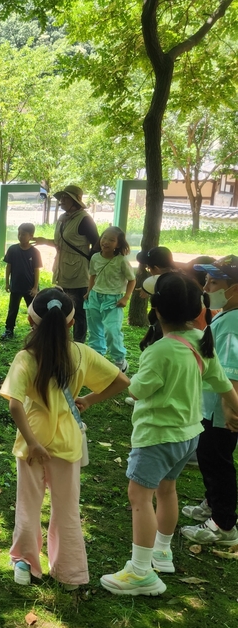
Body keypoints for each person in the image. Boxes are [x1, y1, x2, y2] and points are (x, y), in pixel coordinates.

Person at [100, 272, 238, 597]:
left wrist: (115, 377)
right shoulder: (201, 340)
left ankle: (140, 572)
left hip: (156, 438)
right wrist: (236, 408)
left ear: (157, 310)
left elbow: (137, 390)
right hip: (188, 436)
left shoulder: (159, 351)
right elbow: (222, 384)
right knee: (167, 490)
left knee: (139, 498)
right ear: (195, 310)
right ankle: (162, 552)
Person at [0, 288, 129, 588]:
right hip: (68, 441)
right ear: (71, 323)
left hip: (33, 440)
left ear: (31, 321)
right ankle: (70, 572)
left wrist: (32, 442)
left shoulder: (26, 357)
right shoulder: (82, 353)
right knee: (67, 507)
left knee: (29, 503)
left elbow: (15, 404)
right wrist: (89, 399)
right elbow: (122, 380)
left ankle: (24, 563)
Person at [181, 256, 238, 545]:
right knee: (211, 459)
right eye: (206, 280)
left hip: (219, 411)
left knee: (216, 462)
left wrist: (230, 408)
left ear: (235, 289)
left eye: (214, 282)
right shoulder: (226, 315)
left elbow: (231, 371)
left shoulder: (230, 324)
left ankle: (223, 524)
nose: (206, 286)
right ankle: (212, 503)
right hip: (215, 406)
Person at [35, 185, 99, 343]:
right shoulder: (62, 218)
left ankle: (79, 344)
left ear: (75, 201)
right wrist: (45, 241)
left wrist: (88, 261)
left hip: (79, 272)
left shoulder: (85, 219)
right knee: (62, 306)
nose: (61, 200)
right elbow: (60, 242)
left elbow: (97, 244)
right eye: (61, 197)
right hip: (61, 269)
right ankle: (62, 341)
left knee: (78, 311)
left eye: (65, 197)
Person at [84, 227, 135, 373]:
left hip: (113, 300)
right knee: (94, 330)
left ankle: (120, 360)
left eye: (111, 240)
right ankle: (97, 357)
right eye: (104, 238)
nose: (105, 242)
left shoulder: (121, 260)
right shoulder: (95, 257)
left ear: (118, 244)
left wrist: (126, 297)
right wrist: (89, 292)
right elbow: (93, 275)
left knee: (112, 331)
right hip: (94, 297)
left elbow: (132, 280)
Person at [2, 223, 42, 340]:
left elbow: (36, 270)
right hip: (16, 286)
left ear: (31, 236)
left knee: (33, 310)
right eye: (19, 234)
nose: (20, 236)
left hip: (30, 288)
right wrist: (7, 283)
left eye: (23, 234)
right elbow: (8, 267)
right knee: (13, 309)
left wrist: (35, 287)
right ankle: (9, 330)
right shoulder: (13, 249)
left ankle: (37, 330)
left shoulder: (34, 252)